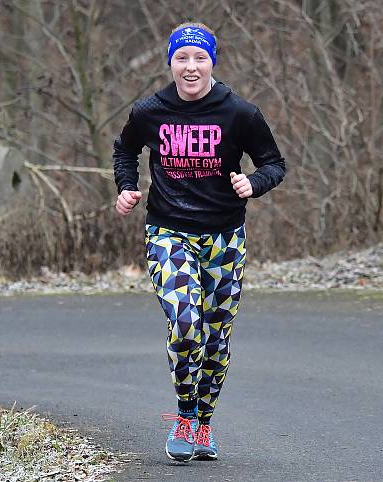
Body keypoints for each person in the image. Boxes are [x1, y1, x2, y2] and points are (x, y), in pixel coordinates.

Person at [112, 22, 286, 462]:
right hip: (168, 231)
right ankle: (185, 416)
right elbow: (124, 150)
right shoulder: (149, 111)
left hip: (224, 237)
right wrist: (127, 185)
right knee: (186, 323)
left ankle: (203, 424)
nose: (191, 68)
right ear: (170, 62)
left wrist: (254, 183)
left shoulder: (239, 113)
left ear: (212, 62)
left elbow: (274, 163)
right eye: (182, 59)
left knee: (216, 337)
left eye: (200, 58)